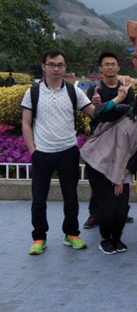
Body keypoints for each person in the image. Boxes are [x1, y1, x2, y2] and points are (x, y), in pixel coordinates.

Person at [22, 49, 96, 255]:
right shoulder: (33, 92)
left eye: (60, 65)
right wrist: (33, 150)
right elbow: (26, 123)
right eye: (52, 64)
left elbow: (94, 112)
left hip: (68, 151)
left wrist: (116, 102)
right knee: (39, 198)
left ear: (65, 67)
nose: (56, 68)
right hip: (42, 152)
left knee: (71, 196)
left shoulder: (73, 91)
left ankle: (71, 234)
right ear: (43, 66)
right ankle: (39, 237)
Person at [80, 87, 137, 255]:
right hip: (99, 163)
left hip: (122, 169)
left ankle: (116, 237)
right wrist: (118, 98)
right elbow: (98, 113)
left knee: (122, 207)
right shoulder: (123, 111)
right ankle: (105, 239)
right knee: (108, 206)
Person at [84, 52, 135, 229]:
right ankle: (94, 213)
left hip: (121, 138)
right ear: (100, 68)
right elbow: (94, 113)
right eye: (106, 64)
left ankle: (120, 210)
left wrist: (107, 108)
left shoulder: (126, 89)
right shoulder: (95, 89)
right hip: (101, 138)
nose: (110, 67)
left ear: (118, 67)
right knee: (99, 174)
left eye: (113, 64)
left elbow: (131, 111)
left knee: (119, 173)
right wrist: (96, 104)